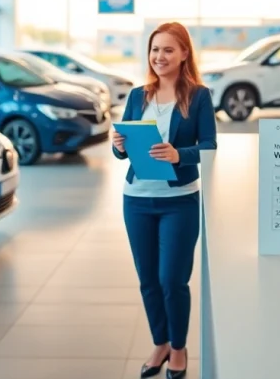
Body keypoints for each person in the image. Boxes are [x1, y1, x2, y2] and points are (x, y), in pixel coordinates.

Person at [111, 21, 217, 379]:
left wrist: (179, 155)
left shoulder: (199, 96)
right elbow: (122, 151)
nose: (160, 56)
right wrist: (118, 145)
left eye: (168, 49)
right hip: (136, 199)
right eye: (155, 49)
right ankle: (160, 342)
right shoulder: (138, 95)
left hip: (179, 201)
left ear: (184, 53)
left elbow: (209, 147)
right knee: (148, 280)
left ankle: (178, 347)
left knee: (173, 279)